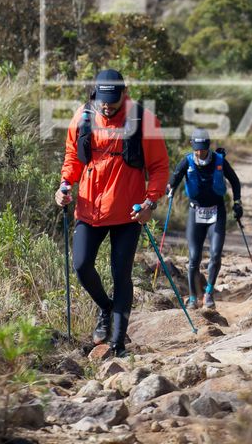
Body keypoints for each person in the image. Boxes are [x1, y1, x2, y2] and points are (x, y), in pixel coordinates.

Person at [55, 68, 169, 356]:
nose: (107, 105)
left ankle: (118, 344)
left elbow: (159, 168)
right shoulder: (83, 117)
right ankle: (106, 308)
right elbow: (73, 157)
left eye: (113, 100)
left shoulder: (143, 120)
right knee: (81, 265)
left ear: (124, 93)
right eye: (103, 100)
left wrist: (150, 203)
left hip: (128, 213)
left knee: (121, 274)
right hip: (89, 209)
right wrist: (64, 185)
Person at [167, 128, 242, 310]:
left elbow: (235, 181)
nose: (200, 152)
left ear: (208, 146)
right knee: (194, 258)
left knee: (215, 254)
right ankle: (193, 298)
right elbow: (174, 179)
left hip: (217, 212)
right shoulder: (187, 161)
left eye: (203, 149)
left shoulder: (219, 161)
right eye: (197, 149)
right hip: (196, 212)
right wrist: (170, 188)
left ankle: (208, 293)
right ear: (192, 146)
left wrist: (237, 203)